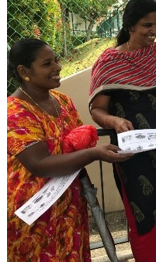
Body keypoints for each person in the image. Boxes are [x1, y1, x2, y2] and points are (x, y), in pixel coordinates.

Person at [7, 38, 133, 262]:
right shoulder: (14, 112)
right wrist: (94, 153)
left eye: (56, 60)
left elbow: (75, 145)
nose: (57, 67)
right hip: (35, 214)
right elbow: (39, 164)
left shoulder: (62, 101)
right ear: (24, 71)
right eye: (47, 64)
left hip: (69, 206)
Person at [87, 0, 156, 262]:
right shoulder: (109, 62)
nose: (154, 31)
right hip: (133, 158)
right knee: (143, 216)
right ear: (130, 25)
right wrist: (113, 121)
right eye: (147, 25)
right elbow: (97, 109)